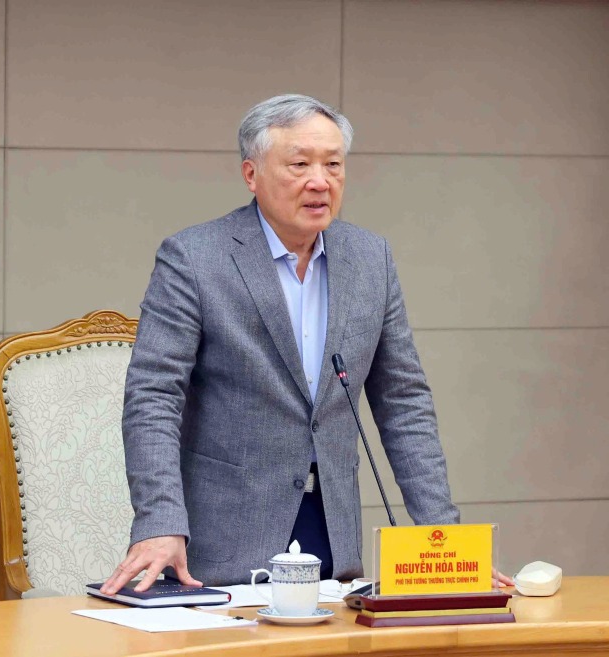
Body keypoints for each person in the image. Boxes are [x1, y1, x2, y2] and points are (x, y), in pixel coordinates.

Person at [102, 94, 470, 595]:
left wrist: (445, 540)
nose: (320, 181)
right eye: (299, 165)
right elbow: (152, 398)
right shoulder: (194, 258)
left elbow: (403, 402)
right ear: (251, 174)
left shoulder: (371, 259)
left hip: (333, 540)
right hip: (223, 544)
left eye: (333, 164)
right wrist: (160, 521)